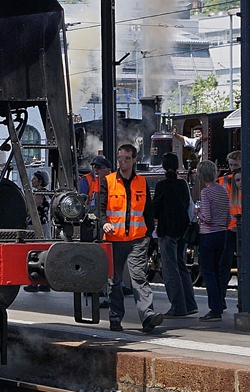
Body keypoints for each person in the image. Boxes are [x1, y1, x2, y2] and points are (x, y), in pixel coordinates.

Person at [96, 143, 163, 334]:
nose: (122, 162)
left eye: (126, 158)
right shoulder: (107, 181)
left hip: (137, 239)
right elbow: (100, 209)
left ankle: (148, 317)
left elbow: (148, 211)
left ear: (134, 160)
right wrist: (104, 223)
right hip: (114, 239)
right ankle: (115, 317)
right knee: (114, 281)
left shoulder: (141, 182)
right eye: (120, 158)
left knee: (139, 278)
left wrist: (149, 234)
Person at [149, 153, 197, 318]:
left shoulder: (162, 185)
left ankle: (178, 306)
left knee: (170, 269)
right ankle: (190, 304)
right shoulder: (183, 184)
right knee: (182, 266)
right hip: (182, 230)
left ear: (163, 166)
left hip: (167, 230)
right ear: (177, 166)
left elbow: (155, 209)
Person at [195, 160, 231, 322]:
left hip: (208, 235)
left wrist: (197, 213)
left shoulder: (206, 192)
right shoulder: (223, 190)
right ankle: (220, 303)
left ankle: (214, 309)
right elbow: (228, 216)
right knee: (217, 270)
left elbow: (207, 218)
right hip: (222, 233)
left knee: (208, 271)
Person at [216, 151, 242, 295]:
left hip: (235, 227)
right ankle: (222, 296)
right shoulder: (225, 180)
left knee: (225, 265)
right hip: (230, 228)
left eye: (236, 165)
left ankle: (222, 297)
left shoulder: (223, 181)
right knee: (225, 264)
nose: (232, 167)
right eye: (231, 164)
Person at [24, 170, 53, 292]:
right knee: (45, 251)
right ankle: (45, 282)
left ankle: (35, 282)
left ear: (40, 181)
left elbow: (32, 209)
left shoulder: (38, 194)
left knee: (35, 252)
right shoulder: (47, 193)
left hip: (36, 226)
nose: (32, 180)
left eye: (34, 179)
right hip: (45, 224)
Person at [77, 156, 110, 244]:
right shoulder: (85, 180)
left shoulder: (112, 181)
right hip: (91, 218)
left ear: (108, 170)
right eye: (94, 167)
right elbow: (81, 200)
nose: (96, 170)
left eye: (99, 168)